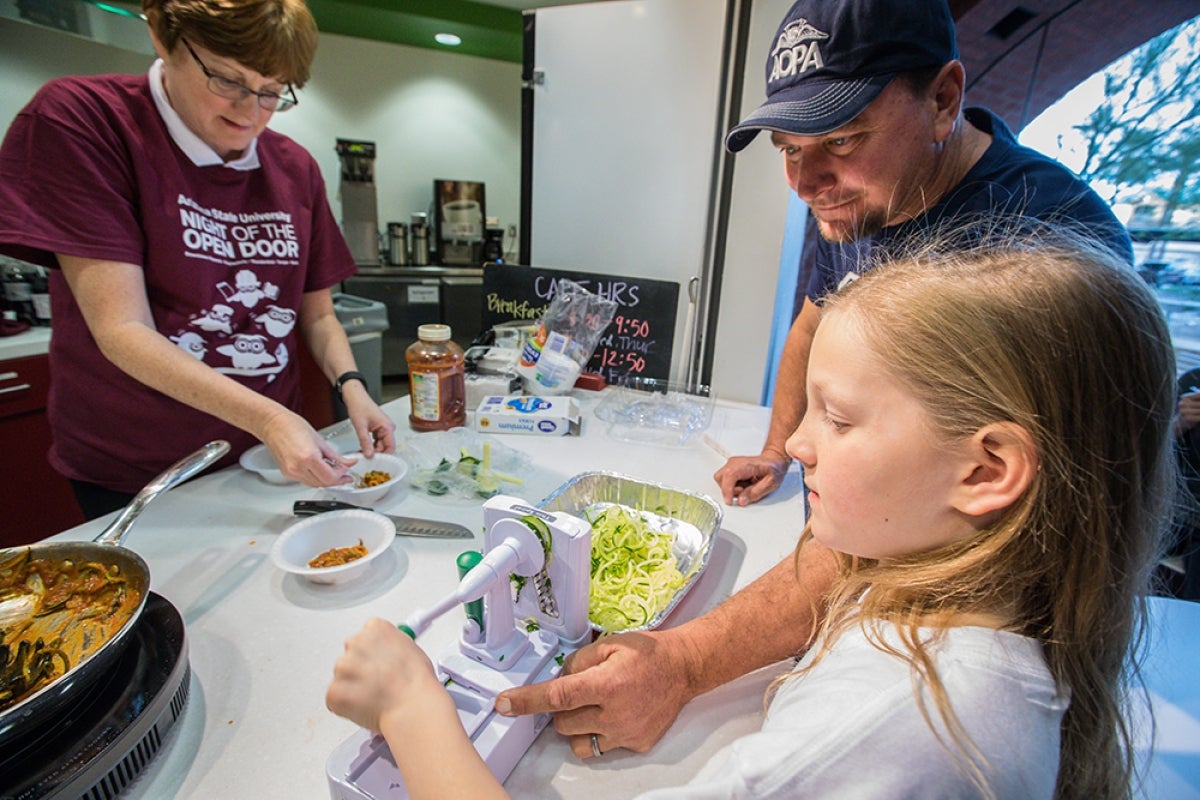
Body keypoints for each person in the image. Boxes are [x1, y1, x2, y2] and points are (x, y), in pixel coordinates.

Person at [328, 234, 1174, 798]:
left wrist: (410, 707)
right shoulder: (965, 603)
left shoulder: (898, 722)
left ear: (987, 470)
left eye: (837, 419)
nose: (797, 445)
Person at [712, 0, 1132, 508]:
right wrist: (778, 451)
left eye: (841, 139)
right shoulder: (860, 204)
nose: (806, 184)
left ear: (942, 100)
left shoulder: (1050, 239)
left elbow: (1046, 495)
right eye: (791, 149)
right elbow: (810, 325)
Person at [0, 0, 395, 518]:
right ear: (165, 37)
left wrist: (353, 389)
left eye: (272, 92)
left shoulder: (294, 167)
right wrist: (272, 419)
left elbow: (317, 314)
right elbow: (122, 328)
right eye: (227, 80)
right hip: (142, 469)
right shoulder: (86, 121)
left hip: (271, 460)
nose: (249, 111)